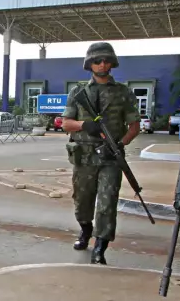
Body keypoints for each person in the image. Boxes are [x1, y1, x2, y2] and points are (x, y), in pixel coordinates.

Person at [60, 42, 140, 265]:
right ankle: (86, 230)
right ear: (89, 64)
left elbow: (134, 126)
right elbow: (66, 124)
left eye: (106, 60)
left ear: (112, 63)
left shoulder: (123, 93)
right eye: (97, 61)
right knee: (82, 201)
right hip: (84, 156)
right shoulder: (78, 92)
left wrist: (119, 144)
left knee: (107, 203)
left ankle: (100, 246)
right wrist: (85, 126)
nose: (102, 64)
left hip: (110, 158)